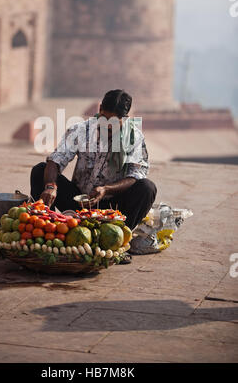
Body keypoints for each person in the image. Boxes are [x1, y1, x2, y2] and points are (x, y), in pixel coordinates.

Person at [30, 89, 157, 262]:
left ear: (124, 118)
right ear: (99, 110)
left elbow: (135, 175)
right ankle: (46, 234)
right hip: (78, 202)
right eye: (104, 118)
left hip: (112, 210)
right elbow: (56, 160)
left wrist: (106, 189)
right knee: (40, 170)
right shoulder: (81, 130)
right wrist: (51, 187)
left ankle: (116, 243)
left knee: (147, 188)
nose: (108, 126)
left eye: (114, 122)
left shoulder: (133, 137)